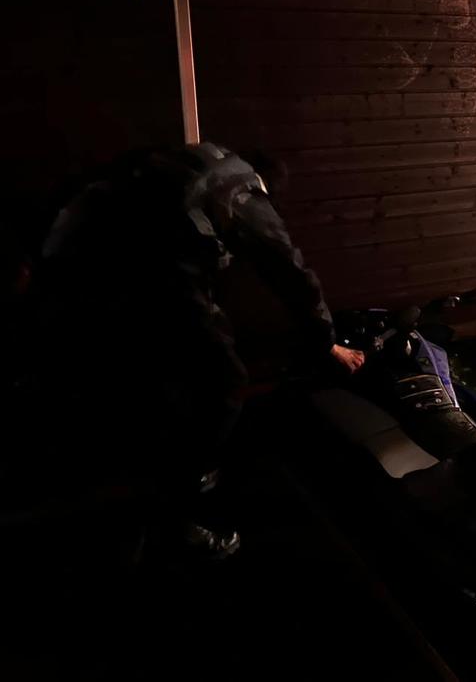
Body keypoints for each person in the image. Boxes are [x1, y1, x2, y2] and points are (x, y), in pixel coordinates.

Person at [39, 142, 364, 558]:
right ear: (266, 185)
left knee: (143, 384)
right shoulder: (243, 192)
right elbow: (291, 272)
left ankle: (139, 486)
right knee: (223, 382)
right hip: (136, 277)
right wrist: (325, 343)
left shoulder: (195, 162)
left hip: (67, 262)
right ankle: (182, 511)